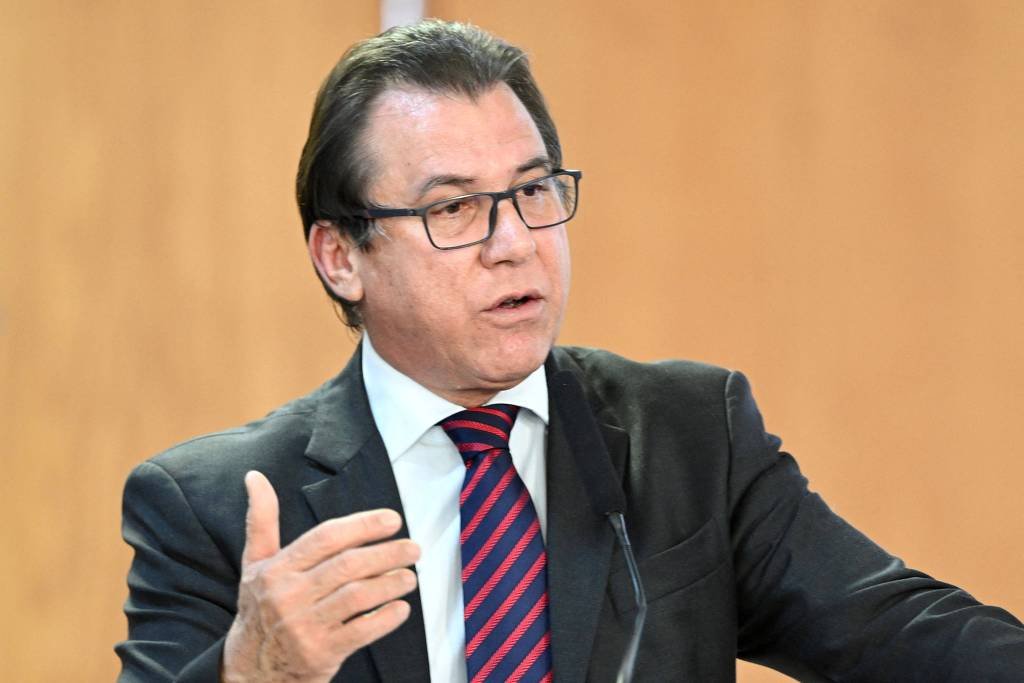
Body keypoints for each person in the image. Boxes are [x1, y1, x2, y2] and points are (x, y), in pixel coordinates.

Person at [116, 19, 1024, 682]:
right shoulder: (217, 507)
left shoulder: (687, 437)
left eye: (535, 190)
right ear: (341, 255)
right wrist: (250, 671)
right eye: (454, 208)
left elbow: (901, 629)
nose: (515, 242)